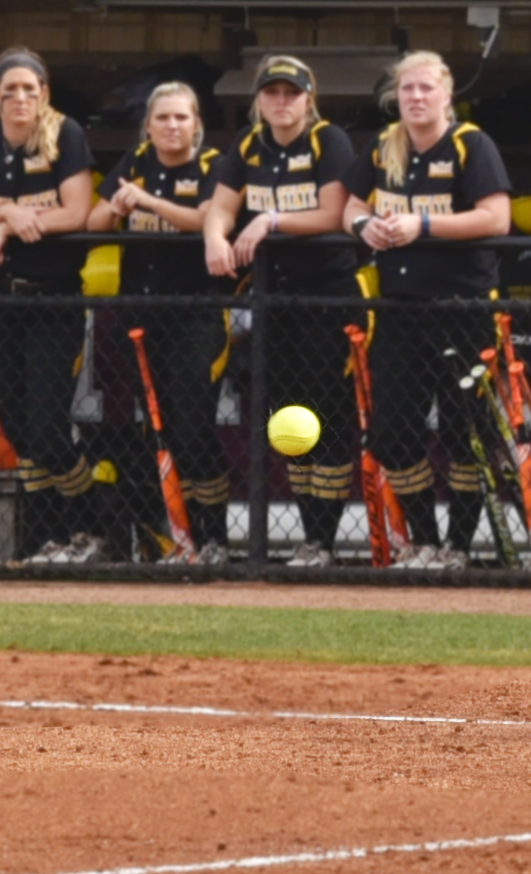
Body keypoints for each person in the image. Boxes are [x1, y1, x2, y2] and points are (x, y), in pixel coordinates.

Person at [343, 50, 512, 570]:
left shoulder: (471, 144)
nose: (416, 98)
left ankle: (458, 547)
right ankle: (423, 540)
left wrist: (424, 226)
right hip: (398, 308)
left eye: (426, 89)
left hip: (463, 306)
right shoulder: (381, 146)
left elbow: (496, 218)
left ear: (447, 94)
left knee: (466, 433)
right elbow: (348, 204)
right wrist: (362, 226)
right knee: (392, 432)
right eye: (408, 89)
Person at [204, 55, 358, 568]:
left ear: (309, 99)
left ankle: (324, 540)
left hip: (326, 293)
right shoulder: (248, 144)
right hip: (273, 297)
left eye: (292, 93)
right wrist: (214, 238)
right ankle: (309, 537)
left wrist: (269, 219)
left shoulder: (327, 140)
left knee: (328, 408)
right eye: (272, 92)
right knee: (287, 418)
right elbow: (222, 207)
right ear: (259, 100)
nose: (282, 101)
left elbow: (333, 213)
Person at [0, 49, 99, 562]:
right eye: (9, 89)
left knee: (48, 427)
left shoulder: (66, 134)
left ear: (44, 94)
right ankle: (52, 536)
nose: (19, 98)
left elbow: (77, 213)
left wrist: (7, 224)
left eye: (29, 90)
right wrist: (8, 213)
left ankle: (91, 526)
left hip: (51, 296)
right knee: (16, 426)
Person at [89, 81, 230, 564]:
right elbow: (92, 224)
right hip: (139, 319)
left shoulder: (214, 166)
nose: (172, 126)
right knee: (158, 432)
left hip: (197, 314)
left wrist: (147, 202)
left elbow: (206, 221)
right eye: (163, 118)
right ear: (148, 125)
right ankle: (175, 539)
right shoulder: (134, 163)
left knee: (193, 429)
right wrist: (115, 207)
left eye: (182, 118)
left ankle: (215, 539)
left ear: (197, 124)